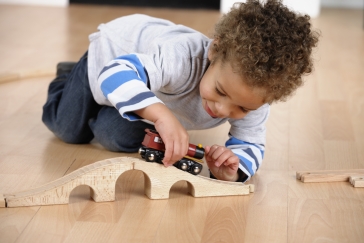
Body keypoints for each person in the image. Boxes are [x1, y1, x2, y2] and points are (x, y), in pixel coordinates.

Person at [42, 0, 319, 183]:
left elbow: (251, 143)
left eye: (243, 108)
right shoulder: (181, 57)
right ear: (214, 51)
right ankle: (67, 76)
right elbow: (116, 72)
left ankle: (123, 105)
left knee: (114, 135)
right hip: (109, 59)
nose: (223, 110)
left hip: (146, 88)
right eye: (220, 91)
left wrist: (232, 171)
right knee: (68, 130)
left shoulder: (255, 96)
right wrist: (161, 115)